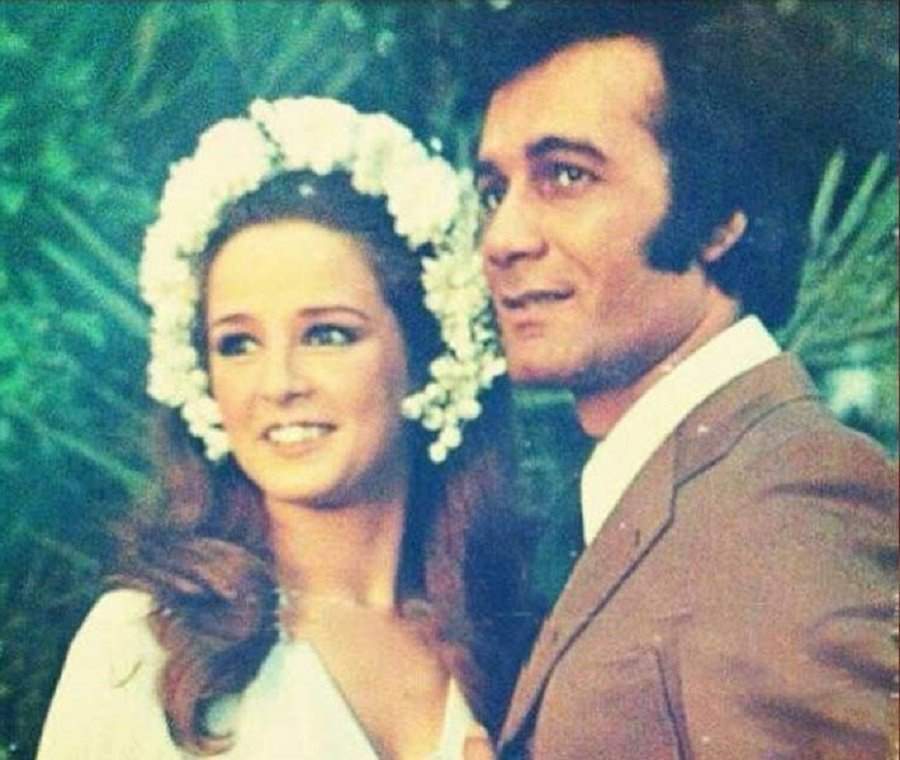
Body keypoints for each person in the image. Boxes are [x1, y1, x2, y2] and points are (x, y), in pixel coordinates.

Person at [37, 96, 530, 759]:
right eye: (238, 344)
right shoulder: (145, 646)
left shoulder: (509, 649)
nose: (279, 383)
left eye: (327, 334)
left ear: (426, 355)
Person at [473, 3, 898, 758]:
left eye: (566, 176)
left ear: (719, 218)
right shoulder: (691, 479)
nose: (501, 238)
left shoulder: (793, 502)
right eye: (493, 191)